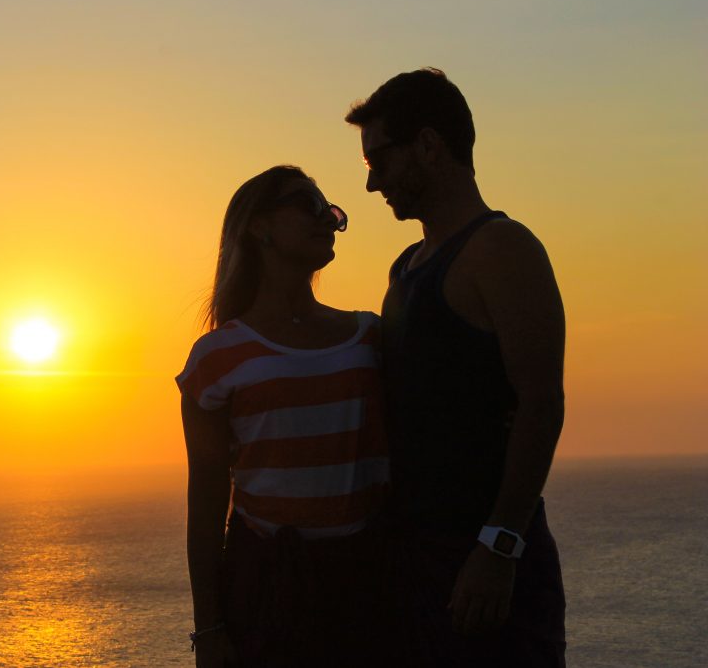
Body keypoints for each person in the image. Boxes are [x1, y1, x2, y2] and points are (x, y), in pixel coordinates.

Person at [345, 68, 567, 667]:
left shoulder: (502, 250)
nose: (371, 185)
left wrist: (499, 546)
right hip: (419, 559)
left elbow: (541, 404)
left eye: (377, 162)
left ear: (427, 145)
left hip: (487, 564)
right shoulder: (406, 266)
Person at [177, 165, 391, 667]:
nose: (329, 220)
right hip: (268, 593)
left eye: (331, 211)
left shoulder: (371, 338)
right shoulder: (215, 359)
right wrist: (208, 630)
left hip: (370, 581)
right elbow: (207, 503)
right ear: (259, 226)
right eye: (308, 204)